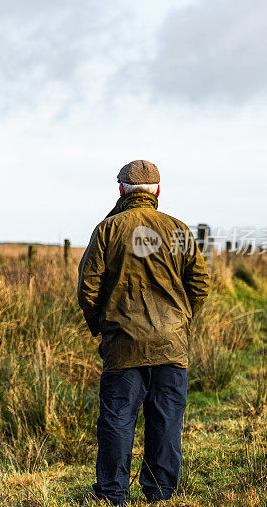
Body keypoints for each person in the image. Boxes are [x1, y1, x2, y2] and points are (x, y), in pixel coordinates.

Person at [77, 160, 210, 505]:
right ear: (158, 192)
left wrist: (103, 329)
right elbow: (200, 283)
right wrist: (179, 322)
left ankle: (111, 495)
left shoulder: (107, 230)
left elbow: (88, 288)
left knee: (117, 422)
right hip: (171, 344)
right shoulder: (179, 230)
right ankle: (160, 494)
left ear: (121, 190)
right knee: (166, 423)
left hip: (123, 346)